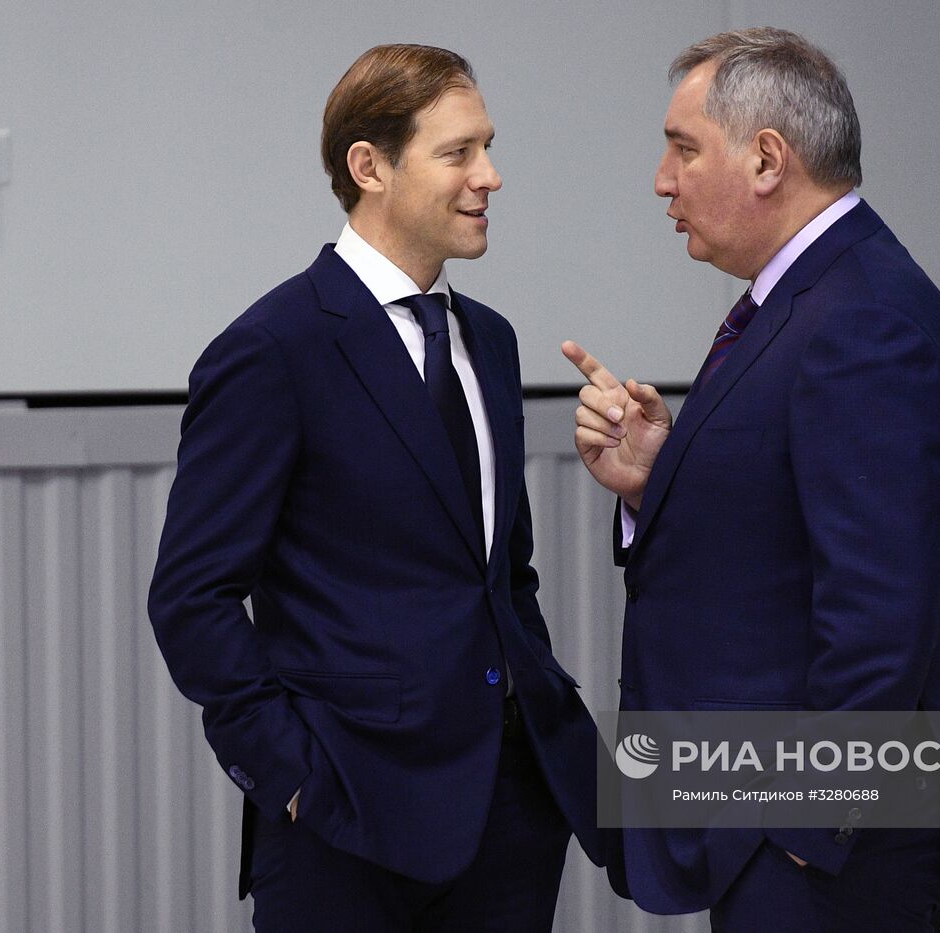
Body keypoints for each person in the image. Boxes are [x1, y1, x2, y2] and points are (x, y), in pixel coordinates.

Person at [147, 44, 603, 933]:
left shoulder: (492, 342)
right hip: (345, 823)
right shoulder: (273, 348)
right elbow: (190, 598)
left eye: (488, 148)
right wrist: (291, 776)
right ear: (370, 167)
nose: (490, 176)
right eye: (459, 152)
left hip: (510, 815)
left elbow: (501, 575)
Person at [563, 27, 940, 932]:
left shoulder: (861, 320)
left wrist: (800, 825)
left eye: (683, 149)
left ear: (766, 159)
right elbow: (787, 535)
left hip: (830, 852)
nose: (662, 180)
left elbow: (879, 612)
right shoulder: (813, 298)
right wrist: (658, 480)